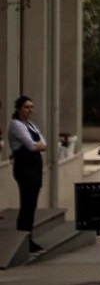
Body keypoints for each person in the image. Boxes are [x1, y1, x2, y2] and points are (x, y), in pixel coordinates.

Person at [8, 95, 47, 254]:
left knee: (32, 205)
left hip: (35, 168)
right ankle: (23, 237)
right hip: (25, 168)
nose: (30, 110)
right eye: (26, 107)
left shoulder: (30, 124)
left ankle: (29, 237)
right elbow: (31, 146)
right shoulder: (16, 125)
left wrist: (39, 145)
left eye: (31, 107)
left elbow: (43, 143)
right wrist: (38, 146)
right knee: (27, 204)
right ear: (18, 109)